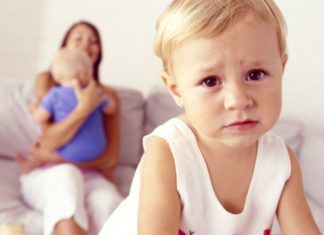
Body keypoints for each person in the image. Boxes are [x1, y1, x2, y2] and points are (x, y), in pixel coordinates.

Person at [99, 0, 321, 234]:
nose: (237, 99)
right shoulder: (168, 153)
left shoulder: (281, 161)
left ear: (281, 69)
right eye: (211, 81)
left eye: (255, 74)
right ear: (176, 89)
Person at [16, 21, 123, 235]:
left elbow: (110, 160)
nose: (86, 44)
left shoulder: (107, 95)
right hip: (50, 175)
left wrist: (52, 156)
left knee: (107, 201)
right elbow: (49, 140)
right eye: (79, 38)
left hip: (91, 177)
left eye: (93, 41)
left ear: (99, 52)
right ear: (64, 46)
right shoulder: (49, 81)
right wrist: (84, 107)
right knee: (67, 174)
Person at [32, 47, 115, 163]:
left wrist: (35, 107)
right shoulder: (94, 92)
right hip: (98, 149)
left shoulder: (54, 95)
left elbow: (39, 117)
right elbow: (111, 109)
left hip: (69, 153)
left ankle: (30, 166)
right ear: (85, 74)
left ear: (57, 76)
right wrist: (104, 96)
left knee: (38, 144)